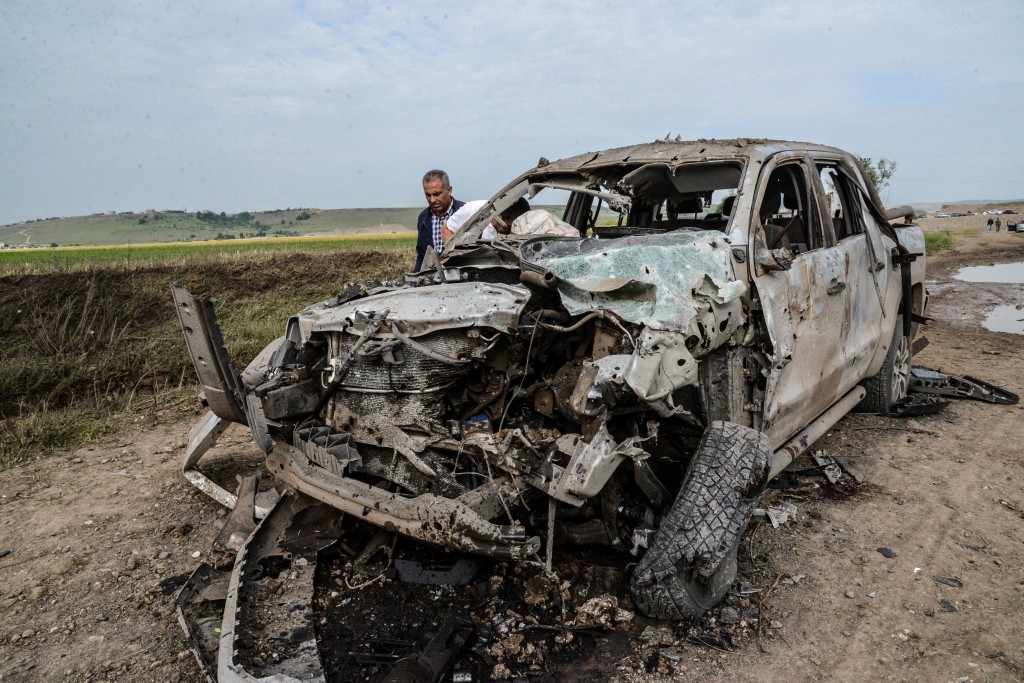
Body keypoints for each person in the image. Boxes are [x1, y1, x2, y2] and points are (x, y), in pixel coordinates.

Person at [414, 170, 464, 271]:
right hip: (433, 278)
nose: (432, 200)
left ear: (449, 190)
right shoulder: (423, 218)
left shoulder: (464, 213)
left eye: (436, 194)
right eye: (428, 195)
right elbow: (421, 255)